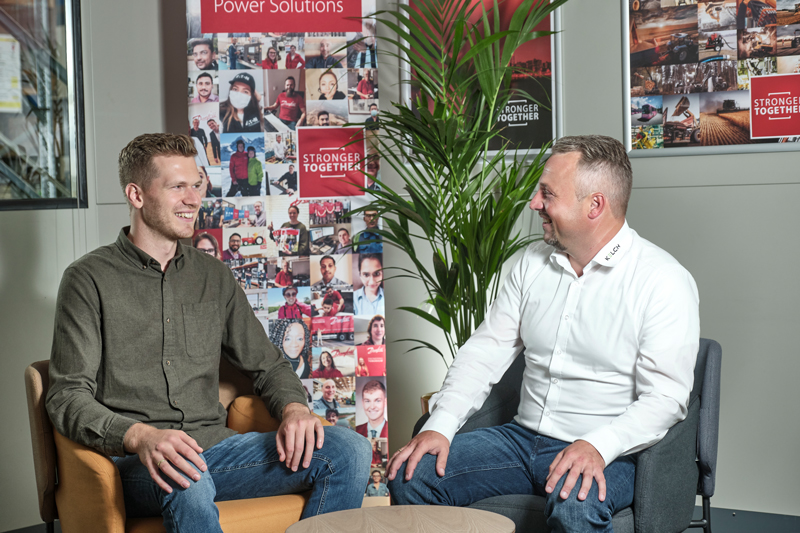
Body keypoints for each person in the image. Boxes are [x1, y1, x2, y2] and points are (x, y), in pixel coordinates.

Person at [46, 133, 371, 533]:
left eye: (196, 184)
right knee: (185, 473)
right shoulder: (87, 279)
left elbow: (267, 364)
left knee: (350, 450)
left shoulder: (213, 276)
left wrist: (294, 409)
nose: (193, 199)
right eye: (177, 186)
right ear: (136, 195)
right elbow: (66, 396)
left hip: (216, 449)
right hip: (135, 462)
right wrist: (141, 436)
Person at [386, 136, 700, 533]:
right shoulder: (529, 265)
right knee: (412, 473)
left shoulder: (663, 281)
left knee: (575, 505)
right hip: (520, 440)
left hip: (608, 452)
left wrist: (598, 445)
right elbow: (485, 352)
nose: (534, 202)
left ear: (595, 205)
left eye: (547, 193)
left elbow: (667, 398)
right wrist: (440, 424)